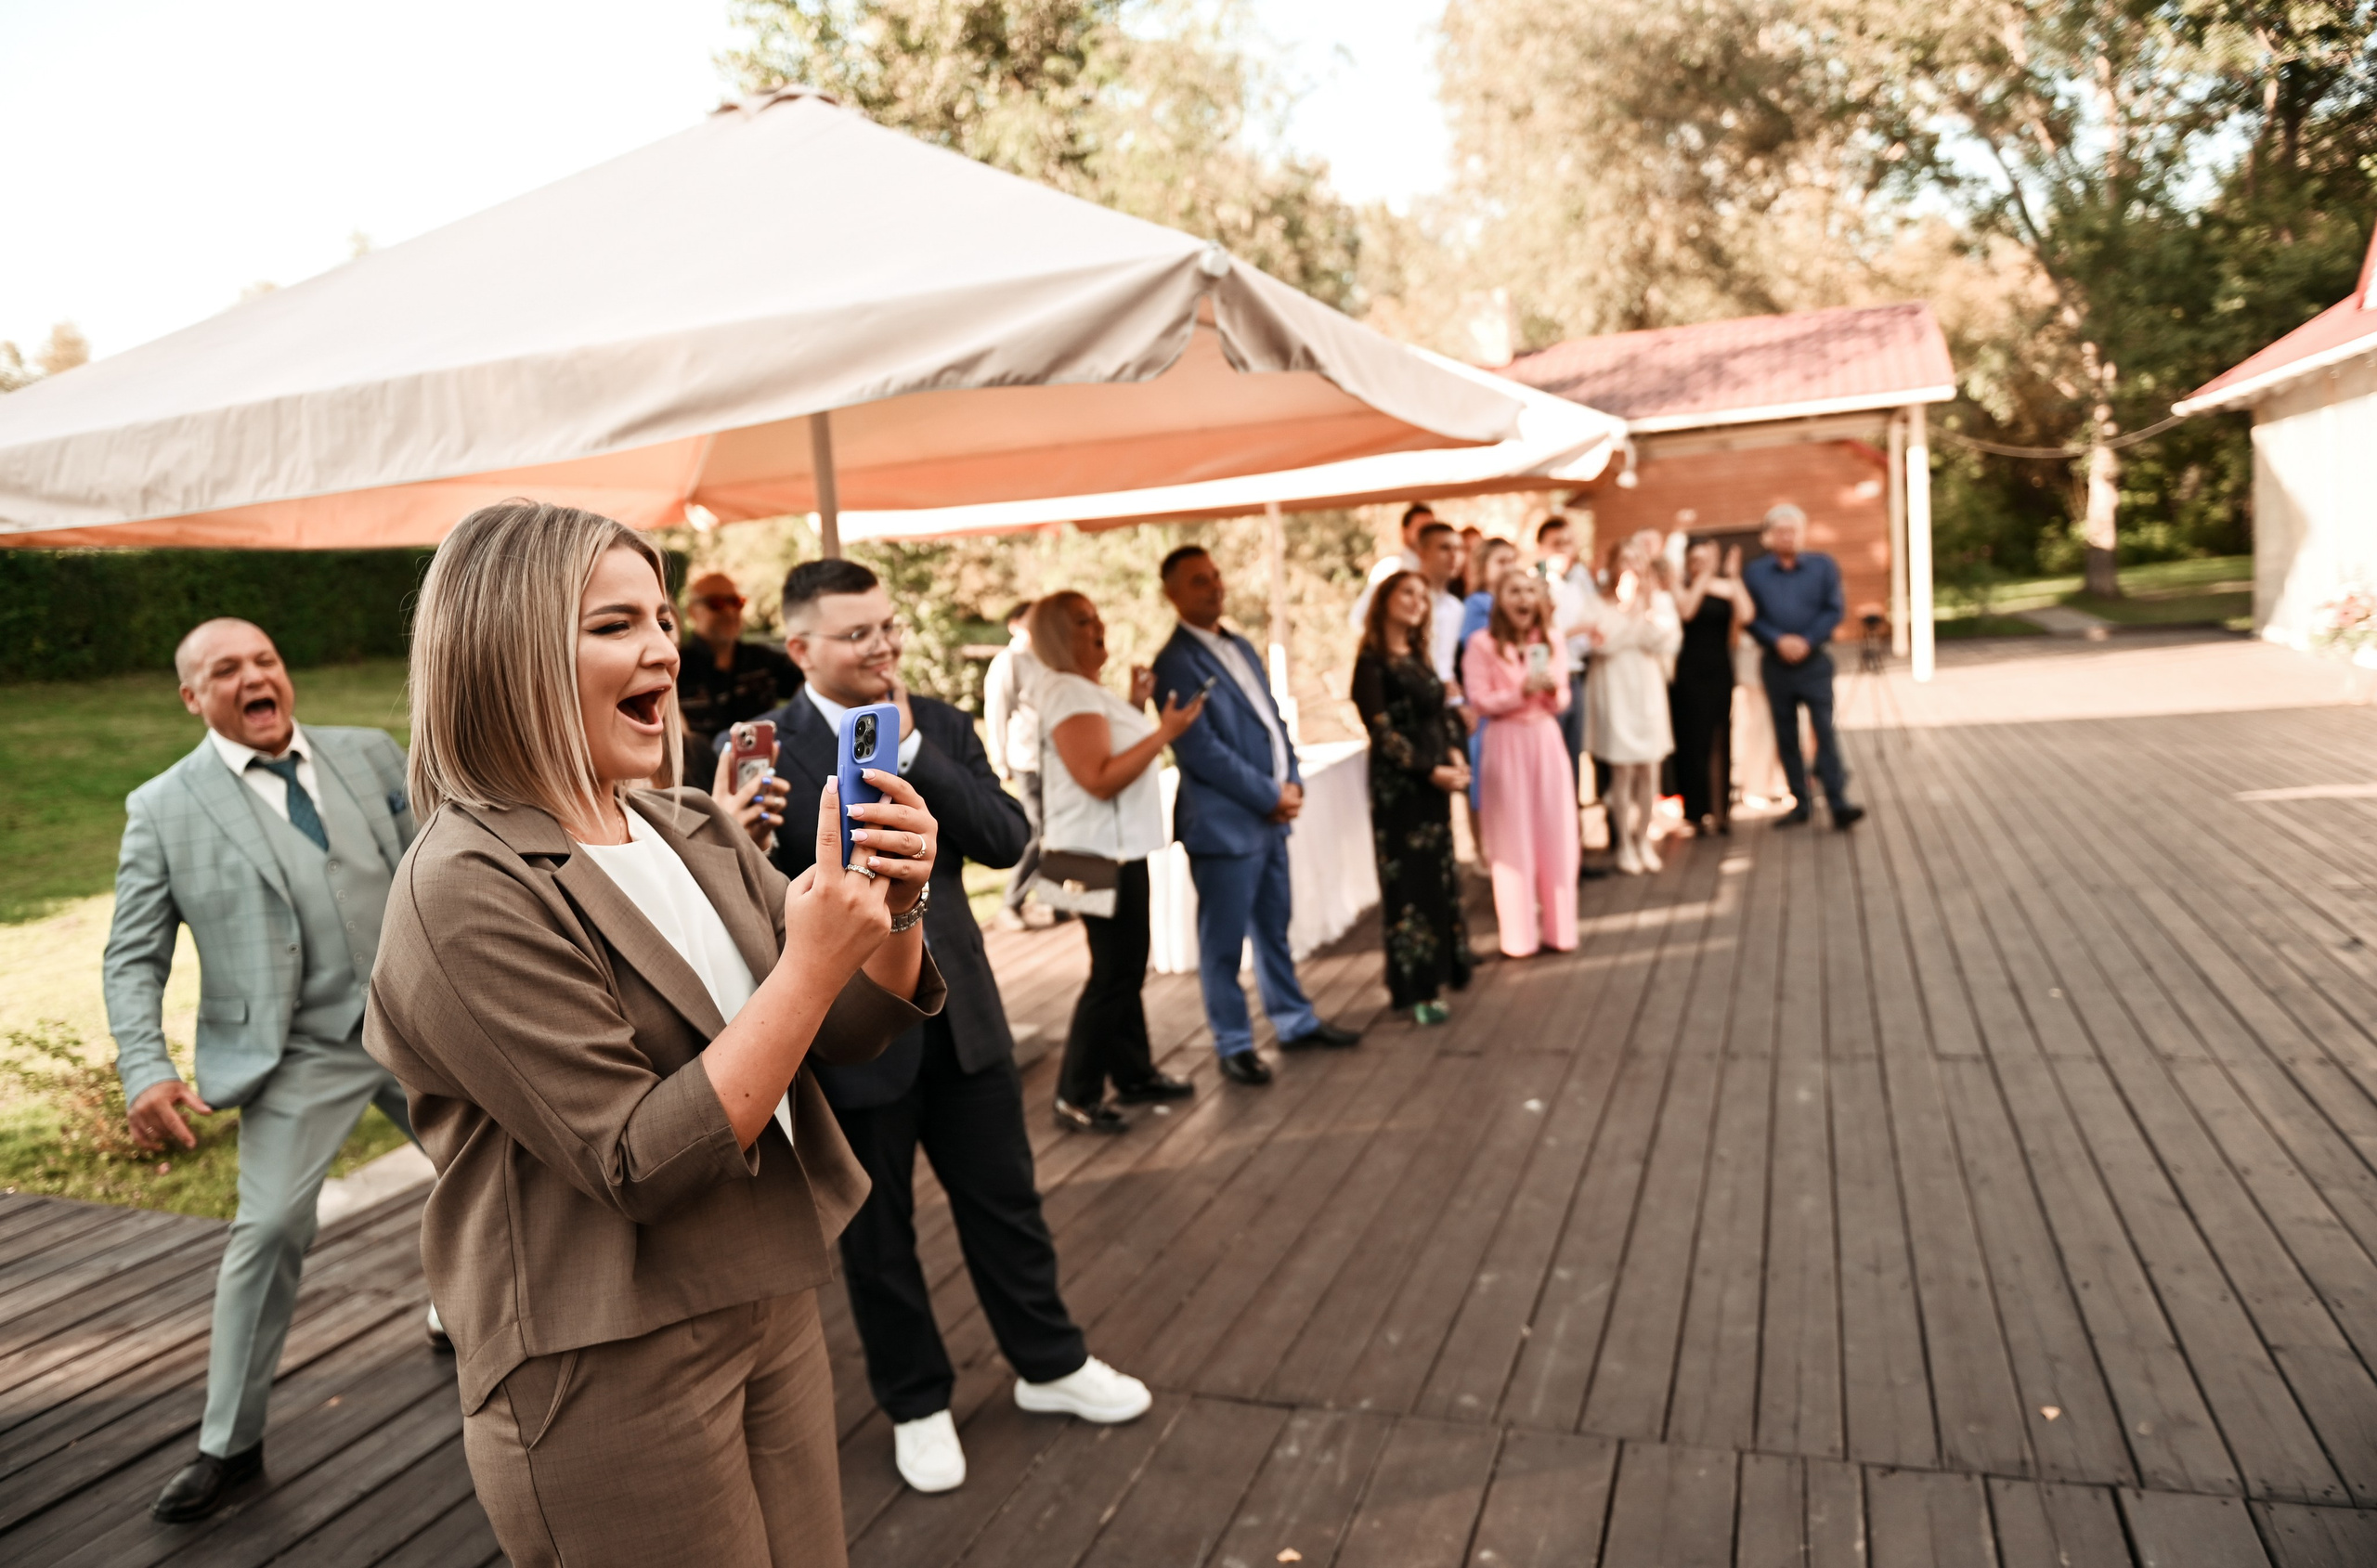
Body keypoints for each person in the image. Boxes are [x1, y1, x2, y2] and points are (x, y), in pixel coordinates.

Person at [365, 501, 943, 1568]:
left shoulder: (686, 821)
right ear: (507, 650)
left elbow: (850, 1028)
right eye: (615, 624)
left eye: (666, 619)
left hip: (766, 1292)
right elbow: (636, 1160)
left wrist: (895, 909)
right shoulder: (463, 885)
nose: (665, 652)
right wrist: (812, 960)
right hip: (603, 1354)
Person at [746, 562, 1152, 1498]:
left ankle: (1050, 1364)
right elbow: (748, 895)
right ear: (801, 647)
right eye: (858, 635)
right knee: (877, 1235)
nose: (884, 646)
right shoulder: (761, 749)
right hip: (846, 1032)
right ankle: (916, 1401)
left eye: (888, 628)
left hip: (960, 1007)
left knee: (1008, 1203)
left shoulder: (943, 722)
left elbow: (1008, 839)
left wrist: (924, 755)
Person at [105, 617, 423, 1524]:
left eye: (266, 660)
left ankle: (470, 1314)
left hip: (414, 1024)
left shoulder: (367, 754)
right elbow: (132, 957)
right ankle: (229, 1445)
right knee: (272, 1226)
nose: (254, 677)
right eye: (226, 670)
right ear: (192, 698)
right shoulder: (164, 807)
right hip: (294, 1052)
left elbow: (433, 867)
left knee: (503, 1164)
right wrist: (144, 1068)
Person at [1153, 546, 1363, 1084]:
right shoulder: (1173, 662)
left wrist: (1290, 777)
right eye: (1199, 581)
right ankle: (1233, 1041)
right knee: (1223, 943)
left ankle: (1294, 1020)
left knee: (1275, 927)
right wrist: (1271, 794)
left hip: (1270, 817)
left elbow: (1272, 719)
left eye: (1216, 577)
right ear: (1173, 594)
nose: (1214, 587)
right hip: (1226, 824)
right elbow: (1202, 751)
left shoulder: (1239, 644)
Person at [1031, 590, 1206, 1126]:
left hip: (1111, 851)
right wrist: (1164, 732)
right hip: (1091, 857)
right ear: (1060, 635)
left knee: (1124, 969)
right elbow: (1100, 779)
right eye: (1083, 621)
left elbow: (1102, 757)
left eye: (1097, 615)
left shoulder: (1085, 691)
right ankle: (1075, 1095)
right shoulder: (1067, 692)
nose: (1098, 626)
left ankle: (1133, 1074)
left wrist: (1132, 707)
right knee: (1114, 974)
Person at [1353, 573, 1474, 1025]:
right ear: (1384, 601)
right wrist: (1430, 769)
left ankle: (1446, 967)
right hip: (1401, 790)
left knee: (1439, 875)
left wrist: (1454, 751)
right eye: (1408, 593)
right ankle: (1413, 986)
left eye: (1424, 596)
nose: (1417, 602)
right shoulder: (1371, 663)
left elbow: (1439, 711)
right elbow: (1383, 733)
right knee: (1409, 887)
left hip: (1435, 783)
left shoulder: (1419, 656)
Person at [1462, 573, 1580, 955]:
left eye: (1530, 590)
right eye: (1515, 590)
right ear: (1500, 600)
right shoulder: (1481, 644)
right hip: (1504, 738)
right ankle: (1518, 938)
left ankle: (1561, 930)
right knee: (1511, 838)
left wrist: (1549, 692)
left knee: (1557, 831)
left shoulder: (1551, 641)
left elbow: (1563, 698)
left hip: (1545, 738)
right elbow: (1478, 700)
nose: (1524, 598)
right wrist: (1519, 693)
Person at [1741, 504, 1867, 829]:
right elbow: (1750, 616)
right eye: (1781, 531)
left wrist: (1806, 640)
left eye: (1793, 530)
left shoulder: (1823, 566)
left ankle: (1838, 802)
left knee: (1824, 730)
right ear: (1769, 536)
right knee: (1786, 734)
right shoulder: (1755, 572)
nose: (1788, 536)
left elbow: (1834, 609)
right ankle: (1800, 802)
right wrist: (1778, 640)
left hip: (1814, 663)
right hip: (1775, 663)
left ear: (1802, 532)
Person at [1587, 538, 1684, 874]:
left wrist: (1641, 615)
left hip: (1646, 687)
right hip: (1614, 687)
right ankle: (1623, 844)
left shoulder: (1658, 602)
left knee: (1649, 768)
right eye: (1623, 560)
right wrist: (1629, 616)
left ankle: (1644, 841)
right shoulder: (1598, 603)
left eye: (1636, 560)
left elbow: (1666, 641)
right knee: (1622, 770)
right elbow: (1602, 645)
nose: (1630, 566)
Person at [1671, 540, 1751, 835]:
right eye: (1697, 560)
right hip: (1691, 672)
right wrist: (1703, 577)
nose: (1703, 564)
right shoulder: (1681, 587)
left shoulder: (1726, 587)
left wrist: (1733, 576)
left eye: (1707, 559)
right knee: (1694, 739)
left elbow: (1746, 614)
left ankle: (1721, 812)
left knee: (1720, 737)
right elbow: (1687, 612)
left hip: (1720, 669)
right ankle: (1696, 811)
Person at [676, 570, 801, 756]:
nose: (729, 611)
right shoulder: (677, 667)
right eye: (716, 603)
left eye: (736, 602)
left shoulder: (762, 660)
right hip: (700, 777)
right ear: (692, 612)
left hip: (764, 767)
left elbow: (809, 682)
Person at [981, 601, 1050, 929]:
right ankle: (1011, 903)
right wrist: (1000, 760)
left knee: (1057, 833)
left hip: (1056, 761)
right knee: (1035, 832)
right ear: (1014, 624)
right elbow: (997, 712)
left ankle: (1056, 902)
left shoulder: (1046, 657)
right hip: (1026, 760)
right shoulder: (1007, 662)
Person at [1533, 515, 1602, 787]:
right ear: (1542, 547)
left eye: (1567, 542)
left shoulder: (1579, 583)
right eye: (1556, 543)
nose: (1563, 549)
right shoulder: (1535, 585)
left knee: (1574, 753)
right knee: (1552, 755)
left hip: (1576, 675)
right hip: (1549, 678)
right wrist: (1577, 631)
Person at [1347, 501, 1437, 627]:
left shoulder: (1434, 570)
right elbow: (1360, 618)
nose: (1426, 534)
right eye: (1421, 528)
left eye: (1431, 529)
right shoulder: (1391, 567)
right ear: (1404, 532)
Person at [1415, 521, 1468, 686]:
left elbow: (1446, 665)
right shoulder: (1408, 601)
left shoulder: (1456, 607)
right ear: (1423, 554)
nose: (1454, 556)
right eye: (1444, 548)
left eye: (1459, 549)